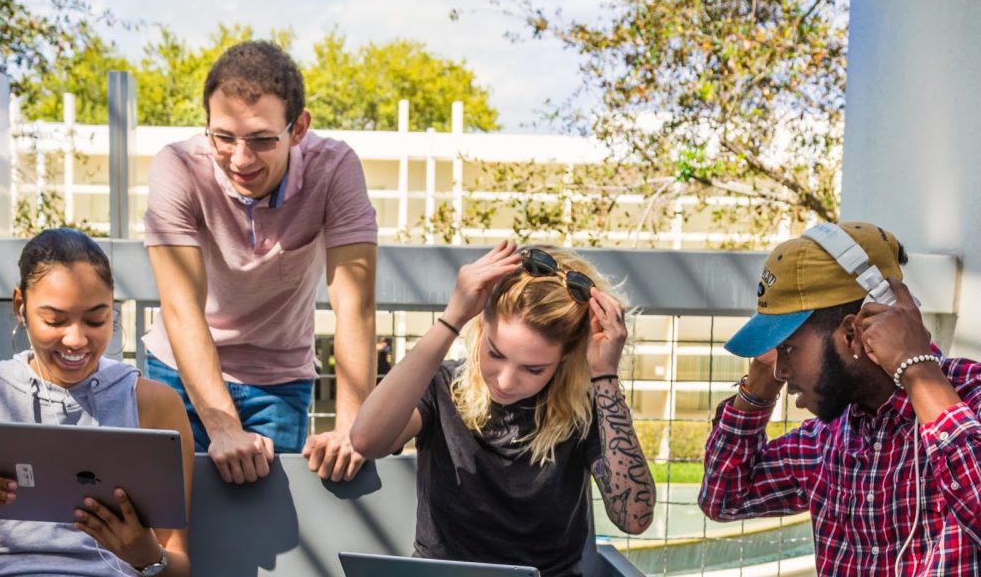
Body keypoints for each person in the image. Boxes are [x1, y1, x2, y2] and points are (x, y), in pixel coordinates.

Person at [142, 40, 378, 484]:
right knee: (167, 523)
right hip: (177, 371)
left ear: (299, 128)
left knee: (269, 533)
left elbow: (356, 306)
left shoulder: (335, 168)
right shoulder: (177, 165)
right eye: (224, 137)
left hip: (278, 378)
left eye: (262, 140)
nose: (241, 158)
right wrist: (224, 426)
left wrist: (351, 427)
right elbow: (180, 306)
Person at [350, 242, 655, 576]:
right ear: (481, 325)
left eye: (533, 369)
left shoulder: (585, 407)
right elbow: (367, 440)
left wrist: (605, 375)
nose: (506, 381)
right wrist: (452, 317)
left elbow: (634, 517)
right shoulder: (442, 385)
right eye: (495, 353)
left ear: (565, 357)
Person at [698, 221, 981, 575]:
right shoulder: (828, 440)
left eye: (788, 348)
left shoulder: (972, 396)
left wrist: (919, 372)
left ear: (852, 332)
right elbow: (723, 499)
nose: (780, 370)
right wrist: (755, 391)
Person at [0, 228, 194, 576]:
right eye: (55, 320)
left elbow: (178, 566)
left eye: (96, 319)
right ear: (20, 306)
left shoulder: (153, 404)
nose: (77, 339)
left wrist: (147, 556)